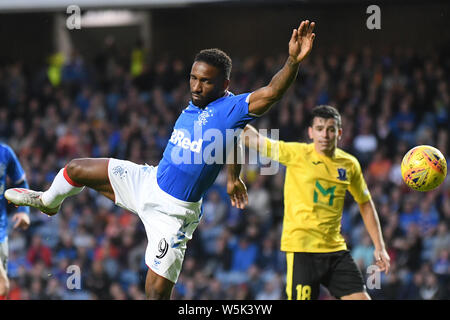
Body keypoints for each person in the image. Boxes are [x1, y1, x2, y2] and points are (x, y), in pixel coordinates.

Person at [5, 20, 316, 299]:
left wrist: (291, 61)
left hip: (173, 214)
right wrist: (233, 177)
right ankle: (48, 202)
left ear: (224, 85)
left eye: (205, 81)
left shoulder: (232, 107)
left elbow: (273, 92)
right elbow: (233, 137)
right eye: (193, 78)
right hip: (148, 182)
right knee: (76, 168)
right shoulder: (200, 105)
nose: (196, 86)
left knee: (154, 293)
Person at [241, 105, 390, 300]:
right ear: (311, 132)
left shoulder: (349, 164)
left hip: (335, 250)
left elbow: (365, 203)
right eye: (319, 129)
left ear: (339, 133)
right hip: (302, 250)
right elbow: (254, 139)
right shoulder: (296, 153)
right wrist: (230, 110)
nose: (325, 135)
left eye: (330, 129)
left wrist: (379, 246)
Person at [0, 143, 31, 299]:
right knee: (2, 284)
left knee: (3, 288)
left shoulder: (5, 153)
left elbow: (21, 183)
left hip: (1, 232)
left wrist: (24, 211)